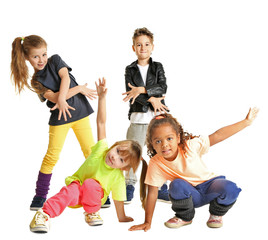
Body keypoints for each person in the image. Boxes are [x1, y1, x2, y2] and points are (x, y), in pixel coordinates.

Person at [29, 78, 142, 233]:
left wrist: (122, 218)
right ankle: (43, 214)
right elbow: (101, 123)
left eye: (121, 160)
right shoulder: (101, 149)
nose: (114, 157)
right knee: (69, 190)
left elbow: (118, 200)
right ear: (113, 146)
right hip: (77, 191)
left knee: (92, 184)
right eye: (116, 151)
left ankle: (92, 212)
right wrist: (102, 98)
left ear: (124, 168)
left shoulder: (118, 178)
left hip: (94, 199)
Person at [129, 107, 259, 231]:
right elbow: (152, 193)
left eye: (169, 138)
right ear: (151, 144)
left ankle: (216, 214)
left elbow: (218, 135)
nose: (164, 145)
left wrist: (246, 122)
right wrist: (147, 221)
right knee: (176, 185)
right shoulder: (156, 163)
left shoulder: (190, 146)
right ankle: (184, 217)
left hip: (210, 188)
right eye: (158, 141)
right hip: (189, 195)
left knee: (231, 188)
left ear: (178, 138)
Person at [10, 35, 97, 210]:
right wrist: (76, 90)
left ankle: (97, 191)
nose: (41, 60)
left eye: (43, 54)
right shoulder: (36, 81)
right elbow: (55, 97)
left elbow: (65, 78)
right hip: (60, 119)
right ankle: (40, 195)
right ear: (27, 57)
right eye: (36, 57)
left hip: (79, 113)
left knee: (91, 152)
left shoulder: (55, 60)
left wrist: (63, 98)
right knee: (52, 156)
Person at [122, 27, 169, 204]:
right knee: (132, 154)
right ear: (133, 47)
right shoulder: (130, 69)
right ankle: (129, 185)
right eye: (139, 44)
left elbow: (162, 88)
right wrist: (153, 100)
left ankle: (162, 186)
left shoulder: (158, 67)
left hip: (157, 119)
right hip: (138, 119)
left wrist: (142, 90)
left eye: (147, 44)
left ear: (152, 47)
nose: (143, 48)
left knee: (161, 153)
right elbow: (130, 94)